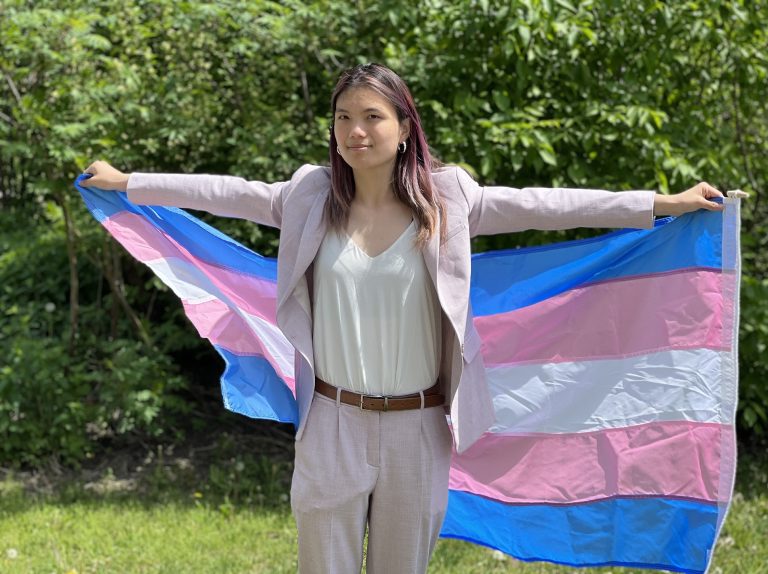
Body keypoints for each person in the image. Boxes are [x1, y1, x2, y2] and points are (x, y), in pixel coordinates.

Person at [80, 62, 725, 574]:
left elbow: (545, 204)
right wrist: (127, 180)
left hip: (419, 428)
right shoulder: (308, 196)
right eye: (342, 117)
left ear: (404, 125)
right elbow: (222, 192)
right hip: (331, 420)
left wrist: (659, 203)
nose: (355, 130)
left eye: (372, 116)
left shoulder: (449, 200)